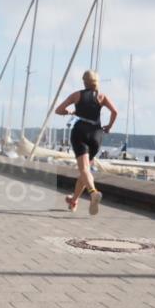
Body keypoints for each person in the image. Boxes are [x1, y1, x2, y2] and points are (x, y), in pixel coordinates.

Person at [54, 70, 118, 215]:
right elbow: (115, 112)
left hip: (80, 132)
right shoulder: (102, 96)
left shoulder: (76, 95)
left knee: (84, 170)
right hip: (97, 135)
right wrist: (109, 126)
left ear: (84, 81)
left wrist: (69, 112)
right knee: (85, 171)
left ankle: (93, 192)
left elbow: (58, 110)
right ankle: (74, 200)